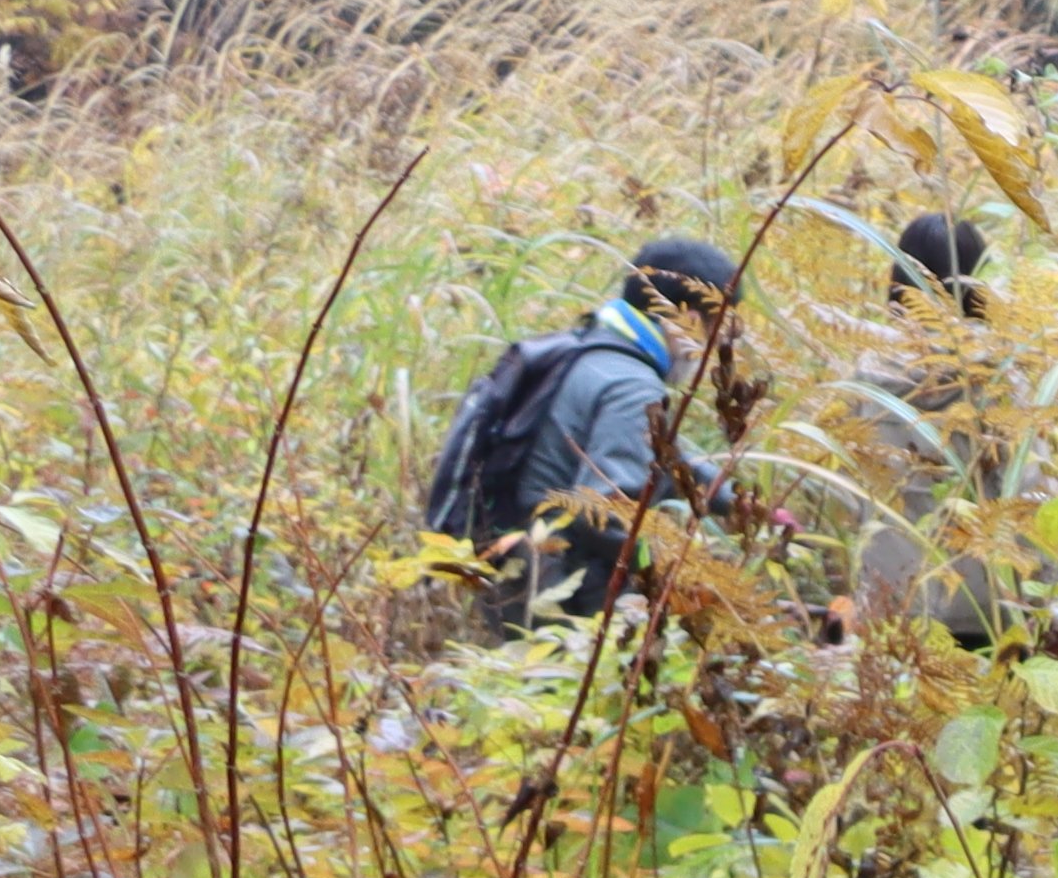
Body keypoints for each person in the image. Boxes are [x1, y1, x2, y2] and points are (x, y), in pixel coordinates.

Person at [428, 229, 747, 624]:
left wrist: (738, 503)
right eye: (717, 329)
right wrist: (691, 573)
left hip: (514, 566)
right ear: (692, 320)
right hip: (561, 597)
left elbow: (666, 453)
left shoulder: (583, 349)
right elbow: (608, 513)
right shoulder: (632, 386)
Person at [786, 210, 1009, 649]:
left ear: (896, 282)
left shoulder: (861, 382)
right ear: (981, 285)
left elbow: (840, 493)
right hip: (989, 606)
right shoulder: (1005, 383)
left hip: (892, 604)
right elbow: (1031, 497)